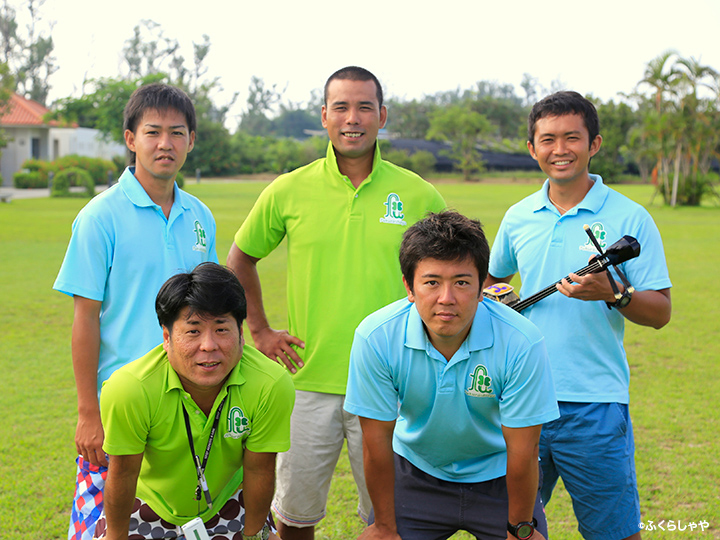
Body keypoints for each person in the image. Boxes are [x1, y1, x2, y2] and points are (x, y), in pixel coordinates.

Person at [226, 66, 446, 539]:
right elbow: (241, 258)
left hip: (394, 380)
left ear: (382, 115)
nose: (353, 118)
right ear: (324, 116)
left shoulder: (417, 192)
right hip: (308, 380)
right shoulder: (288, 189)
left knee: (392, 520)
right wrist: (260, 331)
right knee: (295, 516)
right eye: (341, 107)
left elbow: (448, 271)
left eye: (365, 107)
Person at [484, 91, 672, 540]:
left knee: (614, 532)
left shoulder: (631, 217)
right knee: (512, 529)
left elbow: (661, 312)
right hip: (522, 399)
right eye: (548, 139)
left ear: (595, 144)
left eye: (572, 137)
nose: (560, 149)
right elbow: (489, 282)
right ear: (532, 149)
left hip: (596, 404)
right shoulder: (518, 216)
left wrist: (615, 294)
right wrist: (499, 295)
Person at [53, 83, 218, 540]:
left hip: (187, 400)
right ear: (131, 139)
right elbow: (84, 320)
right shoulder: (99, 217)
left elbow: (209, 313)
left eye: (177, 133)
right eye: (153, 132)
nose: (165, 143)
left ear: (191, 140)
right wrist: (89, 413)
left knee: (179, 521)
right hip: (120, 402)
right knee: (107, 528)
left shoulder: (201, 216)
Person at [344, 211, 559, 540]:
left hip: (499, 475)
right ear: (409, 286)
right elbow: (375, 444)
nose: (447, 298)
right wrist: (385, 526)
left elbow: (524, 451)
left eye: (461, 282)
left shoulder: (522, 341)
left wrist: (520, 529)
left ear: (481, 285)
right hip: (416, 473)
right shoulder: (376, 337)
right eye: (431, 282)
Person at [91, 262, 294, 540]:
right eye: (193, 331)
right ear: (167, 337)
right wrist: (115, 537)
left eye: (222, 329)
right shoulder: (130, 388)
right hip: (149, 500)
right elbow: (123, 473)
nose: (209, 345)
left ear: (241, 333)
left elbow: (259, 468)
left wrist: (256, 535)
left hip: (228, 498)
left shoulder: (270, 384)